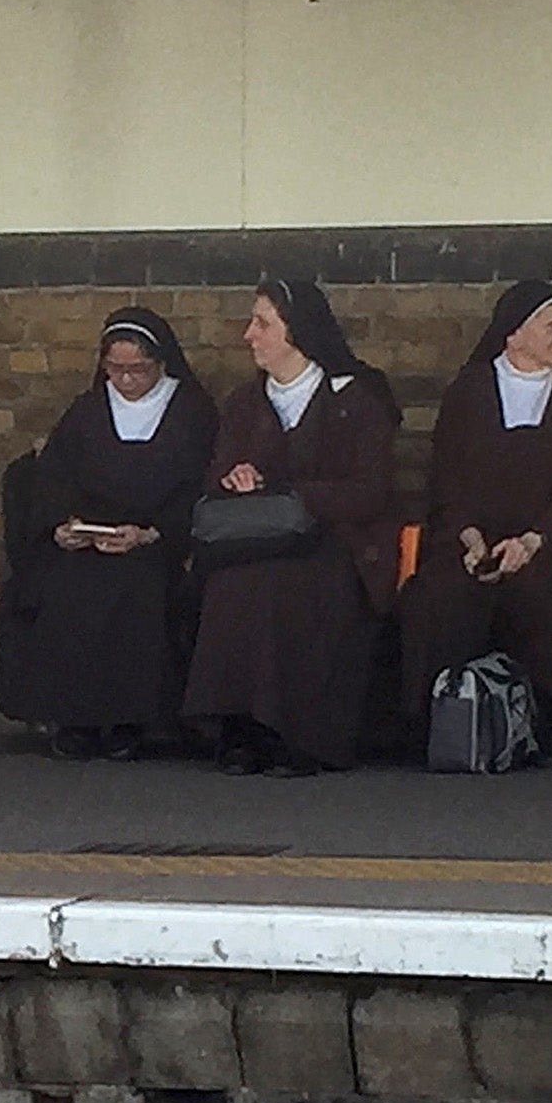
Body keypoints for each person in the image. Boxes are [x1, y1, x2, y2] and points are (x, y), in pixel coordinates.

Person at [398, 280, 552, 761]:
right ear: (514, 335)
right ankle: (444, 714)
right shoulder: (470, 390)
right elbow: (446, 478)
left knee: (550, 590)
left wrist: (535, 540)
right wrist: (471, 538)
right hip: (474, 540)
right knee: (442, 595)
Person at [183, 280, 400, 776]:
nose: (248, 335)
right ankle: (240, 728)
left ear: (297, 331)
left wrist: (294, 494)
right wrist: (234, 478)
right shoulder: (243, 403)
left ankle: (301, 735)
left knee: (292, 589)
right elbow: (216, 472)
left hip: (339, 540)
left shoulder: (358, 399)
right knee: (231, 587)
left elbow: (371, 490)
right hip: (260, 539)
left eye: (262, 323)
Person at [0, 306, 217, 760]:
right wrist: (62, 527)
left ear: (161, 363)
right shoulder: (87, 410)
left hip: (154, 546)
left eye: (137, 369)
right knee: (67, 587)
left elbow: (200, 488)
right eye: (115, 369)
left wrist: (152, 534)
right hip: (88, 542)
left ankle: (129, 719)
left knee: (137, 590)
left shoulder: (192, 410)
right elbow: (53, 479)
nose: (125, 380)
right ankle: (74, 717)